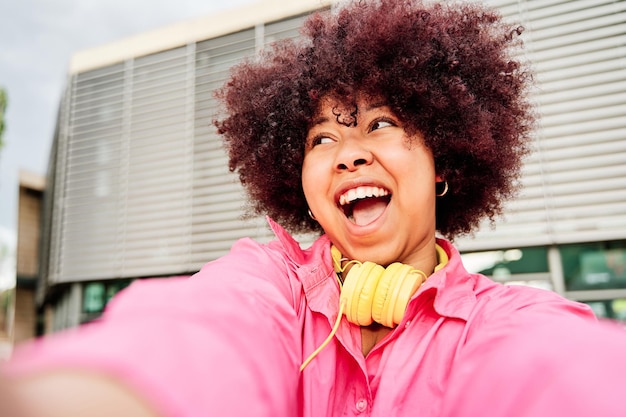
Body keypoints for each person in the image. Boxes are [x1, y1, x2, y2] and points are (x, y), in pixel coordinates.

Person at [2, 0, 626, 416]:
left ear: (444, 165)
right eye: (322, 139)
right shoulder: (269, 283)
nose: (348, 154)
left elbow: (561, 375)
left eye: (380, 124)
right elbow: (199, 334)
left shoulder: (506, 325)